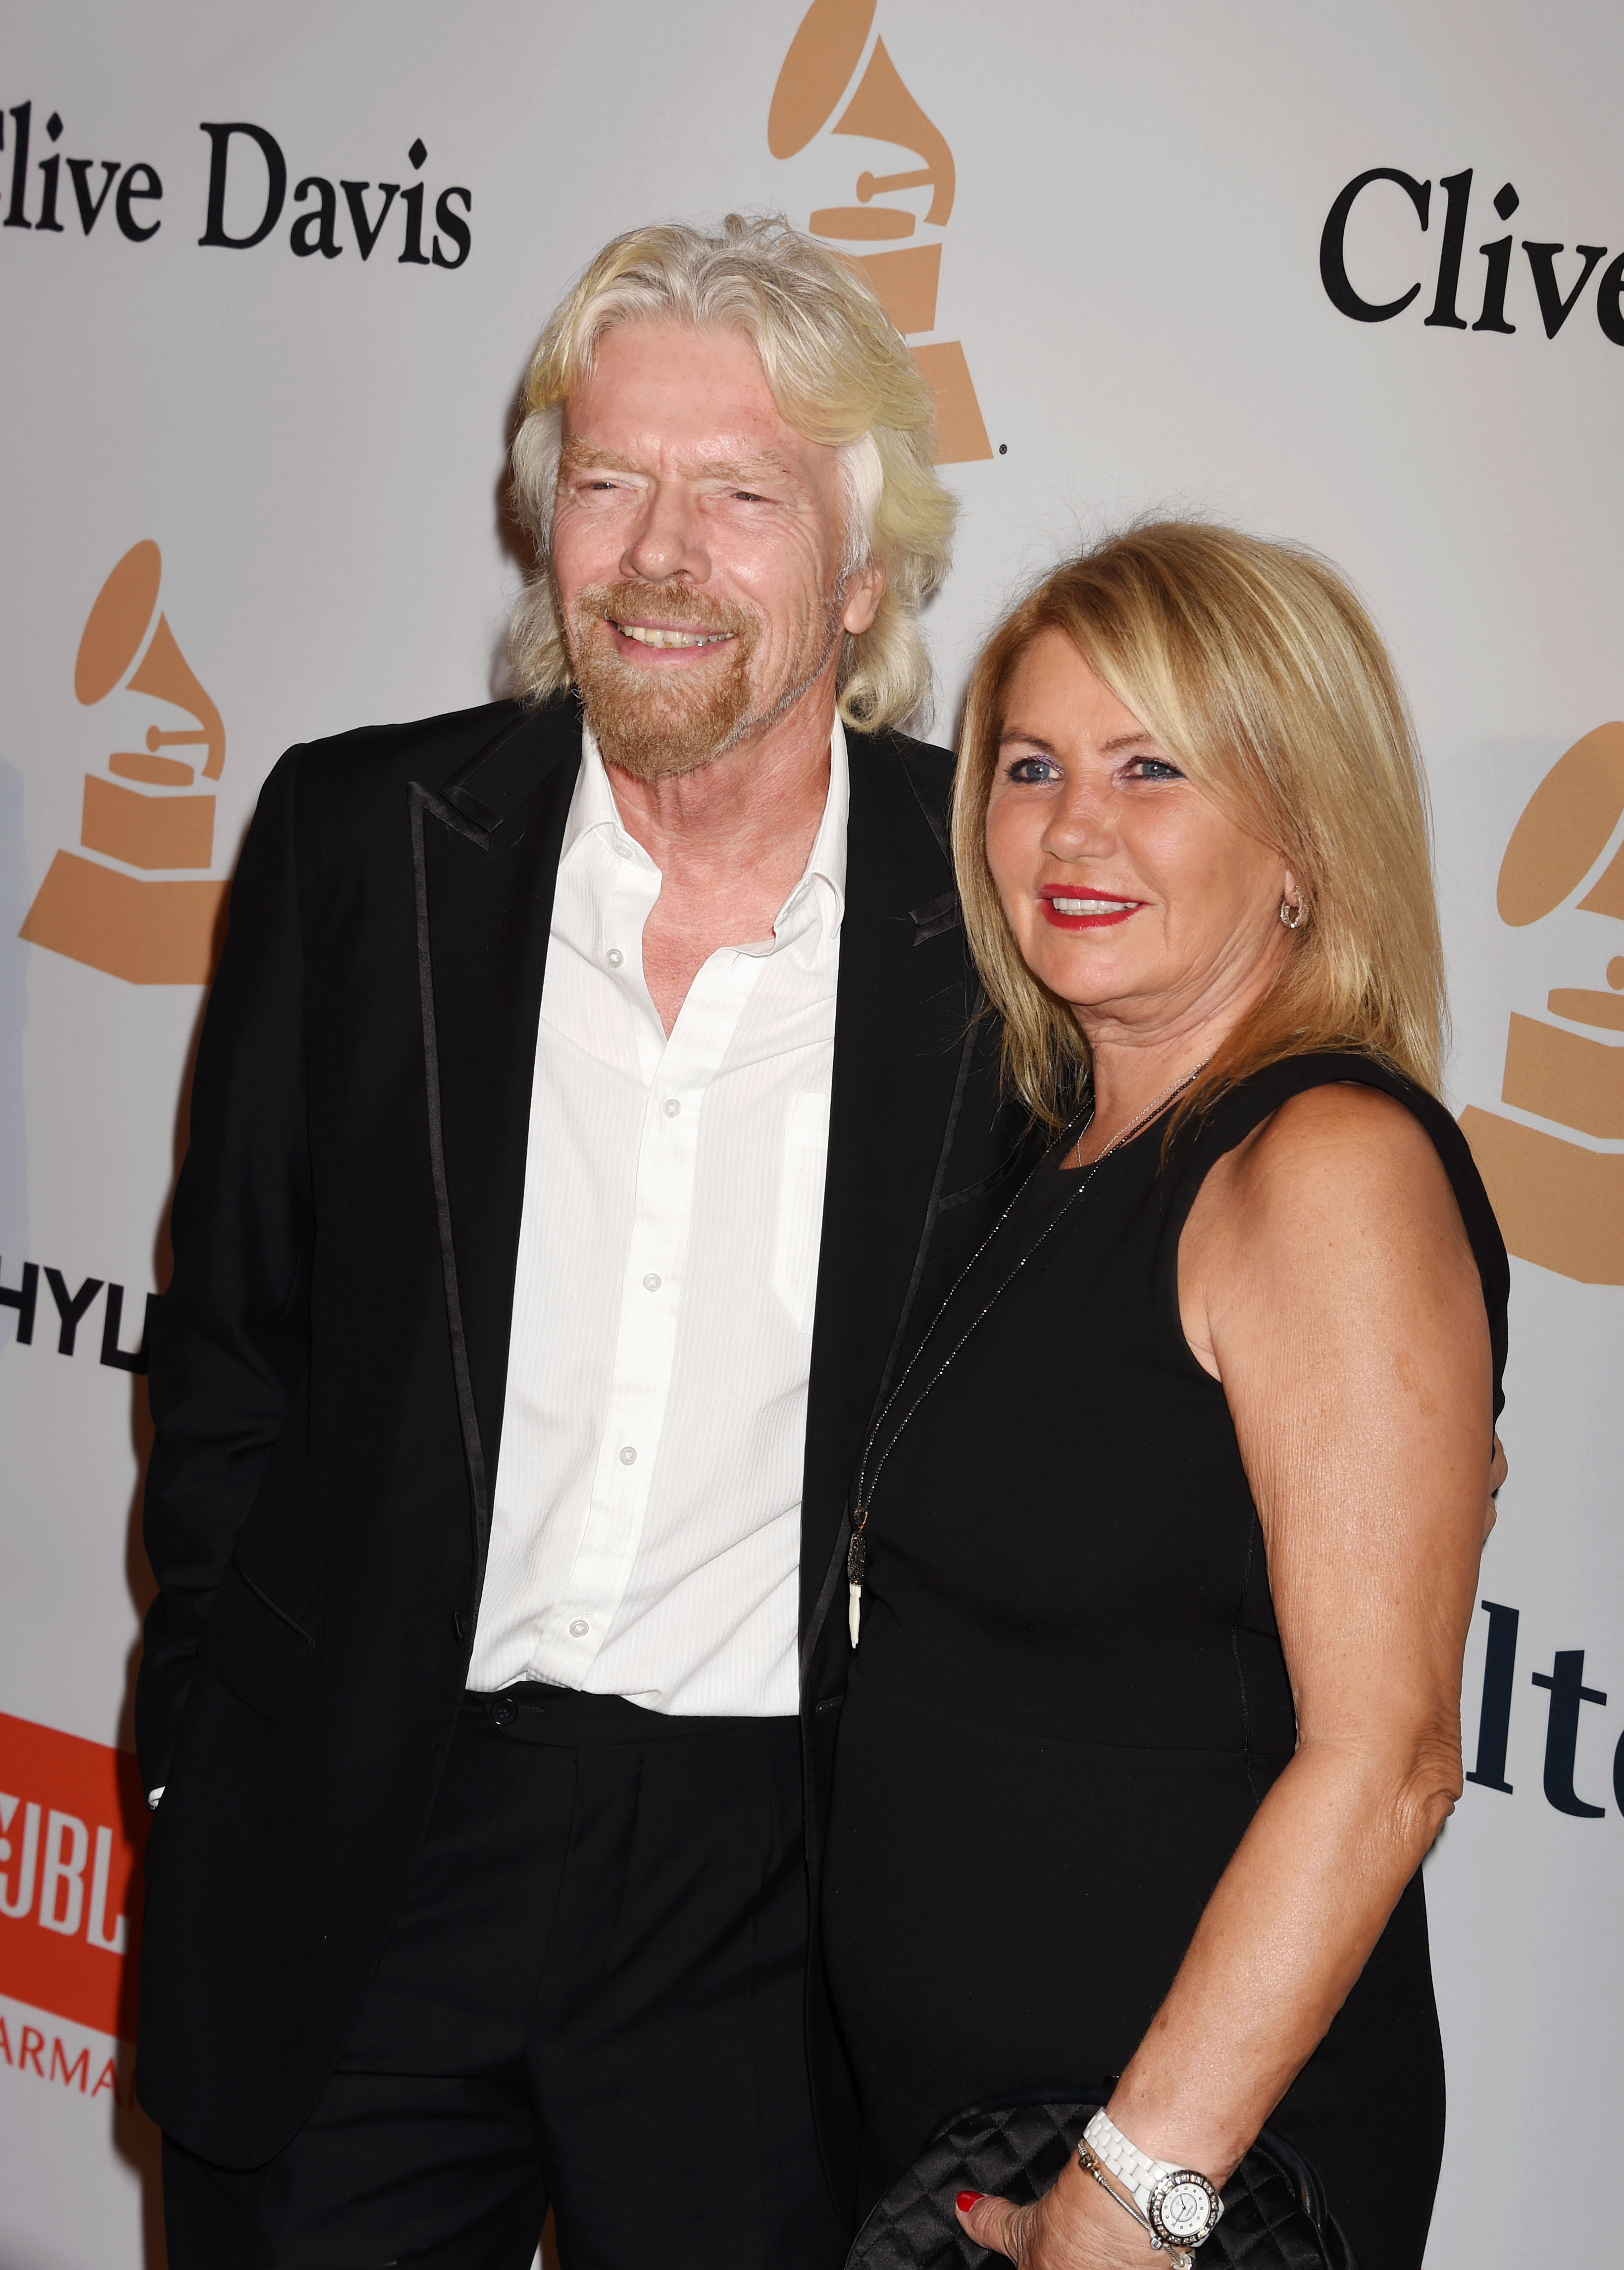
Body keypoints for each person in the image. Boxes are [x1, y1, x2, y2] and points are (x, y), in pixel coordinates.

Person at [133, 213, 1032, 2269]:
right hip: (374, 1827)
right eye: (611, 482)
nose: (659, 556)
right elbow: (232, 1346)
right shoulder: (364, 844)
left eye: (741, 496)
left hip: (776, 1897)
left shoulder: (987, 923)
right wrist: (210, 1732)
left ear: (864, 572)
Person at [821, 522, 1509, 2270]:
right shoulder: (1055, 1151)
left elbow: (1391, 1760)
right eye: (1033, 766)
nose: (1072, 830)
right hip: (972, 2160)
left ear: (1302, 838)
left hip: (1178, 2191)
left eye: (1154, 771)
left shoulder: (1325, 1163)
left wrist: (1135, 2200)